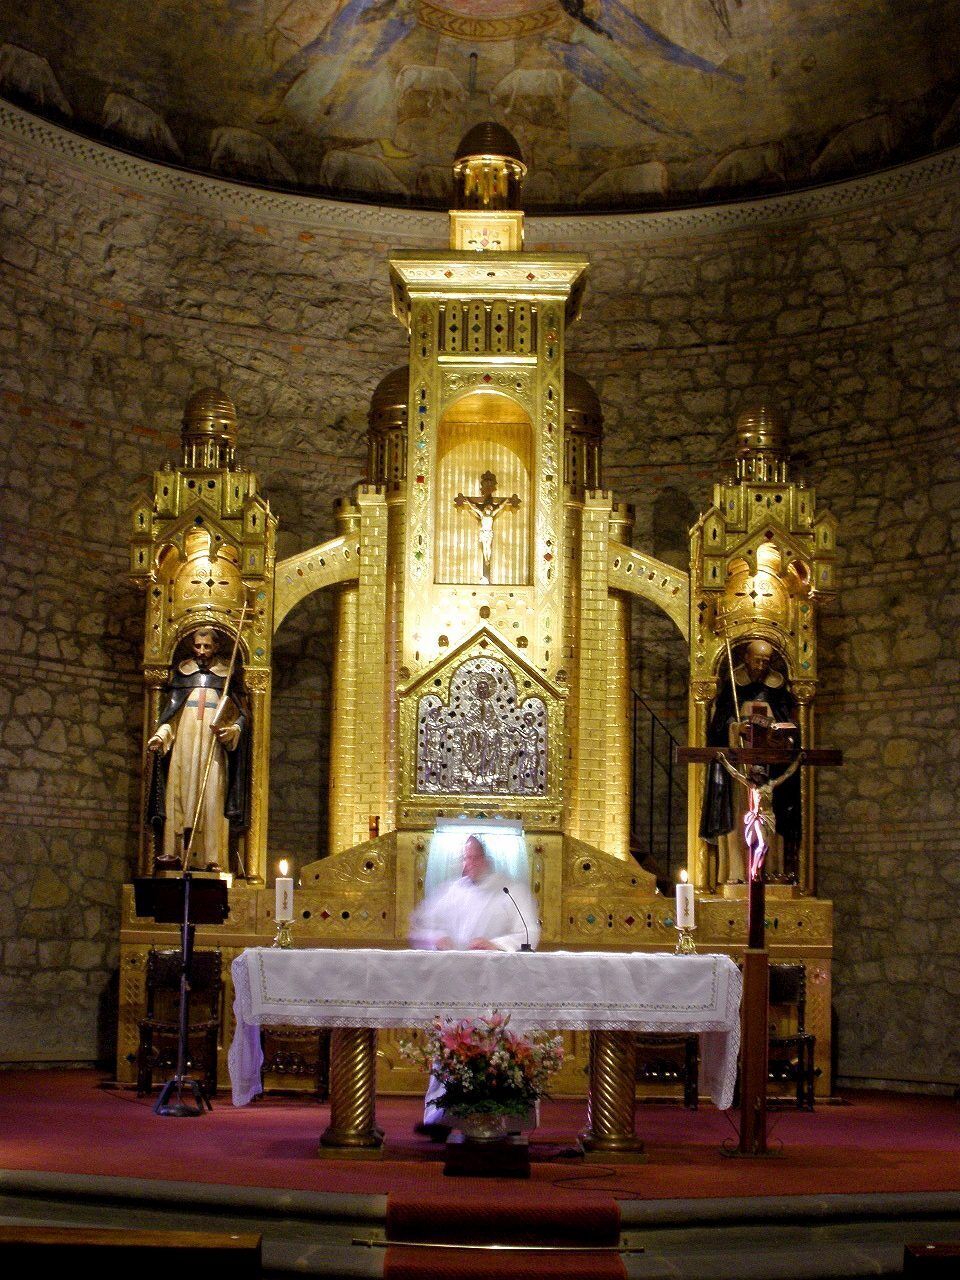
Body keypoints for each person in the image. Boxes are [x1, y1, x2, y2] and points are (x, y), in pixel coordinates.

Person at [408, 833, 540, 1136]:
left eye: (473, 857)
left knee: (502, 1049)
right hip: (457, 987)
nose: (468, 864)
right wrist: (435, 939)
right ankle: (441, 1119)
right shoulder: (448, 892)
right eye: (464, 858)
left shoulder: (509, 891)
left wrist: (494, 944)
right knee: (452, 1045)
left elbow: (530, 933)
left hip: (499, 989)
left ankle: (510, 1119)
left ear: (485, 859)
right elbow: (421, 927)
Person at [146, 626, 249, 873]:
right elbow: (171, 718)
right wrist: (160, 736)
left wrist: (234, 730)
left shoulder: (226, 677)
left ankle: (212, 858)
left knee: (212, 797)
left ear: (217, 647)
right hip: (184, 748)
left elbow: (241, 715)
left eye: (207, 646)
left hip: (212, 751)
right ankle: (174, 854)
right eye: (197, 646)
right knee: (180, 797)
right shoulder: (182, 675)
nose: (201, 651)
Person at [699, 639, 800, 884]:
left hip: (770, 769)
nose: (761, 665)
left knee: (768, 825)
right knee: (739, 818)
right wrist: (736, 728)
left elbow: (790, 730)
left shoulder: (777, 690)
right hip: (740, 766)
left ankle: (769, 871)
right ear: (746, 658)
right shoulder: (732, 688)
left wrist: (778, 733)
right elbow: (718, 729)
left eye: (766, 661)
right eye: (757, 660)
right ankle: (736, 872)